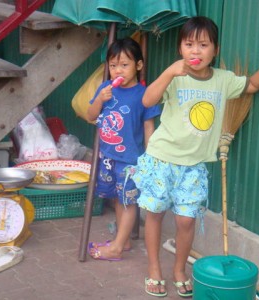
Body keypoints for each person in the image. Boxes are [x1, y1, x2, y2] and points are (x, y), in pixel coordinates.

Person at [131, 16, 259, 298]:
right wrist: (170, 73)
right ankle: (155, 269)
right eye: (189, 44)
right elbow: (147, 101)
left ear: (215, 50)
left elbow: (253, 85)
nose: (196, 51)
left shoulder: (223, 80)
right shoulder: (174, 77)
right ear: (180, 48)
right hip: (162, 159)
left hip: (193, 166)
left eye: (203, 45)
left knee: (186, 221)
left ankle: (179, 270)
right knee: (155, 214)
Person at [87, 37, 161, 261]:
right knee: (117, 199)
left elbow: (149, 127)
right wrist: (100, 99)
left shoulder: (144, 94)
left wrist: (150, 158)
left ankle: (117, 247)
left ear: (138, 65)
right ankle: (124, 239)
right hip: (108, 156)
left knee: (128, 200)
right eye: (113, 65)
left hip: (131, 159)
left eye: (124, 65)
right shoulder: (105, 89)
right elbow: (91, 116)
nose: (117, 70)